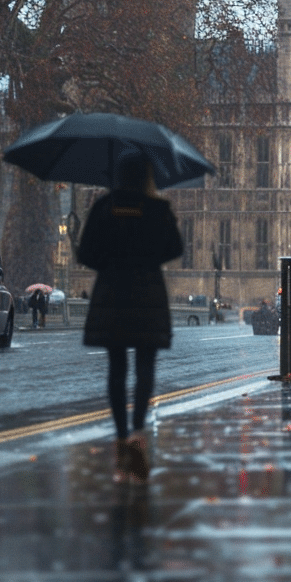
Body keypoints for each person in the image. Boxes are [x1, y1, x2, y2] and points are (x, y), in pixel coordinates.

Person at [76, 152, 184, 484]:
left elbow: (86, 254)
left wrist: (112, 259)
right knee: (146, 366)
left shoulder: (104, 206)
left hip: (112, 292)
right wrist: (147, 256)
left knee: (117, 367)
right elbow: (175, 249)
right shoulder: (158, 209)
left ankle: (122, 437)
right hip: (148, 292)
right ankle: (139, 431)